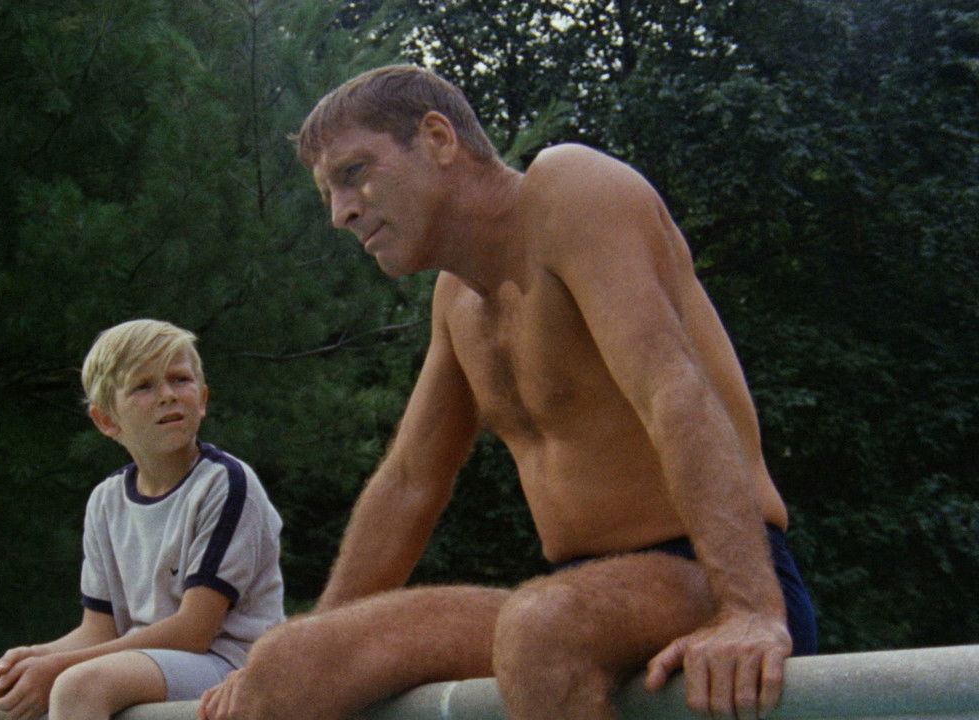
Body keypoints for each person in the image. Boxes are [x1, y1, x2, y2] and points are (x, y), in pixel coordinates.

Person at [198, 64, 817, 720]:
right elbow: (409, 483)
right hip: (581, 598)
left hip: (715, 574)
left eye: (354, 173)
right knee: (289, 660)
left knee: (541, 627)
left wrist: (748, 610)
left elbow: (675, 390)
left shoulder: (570, 192)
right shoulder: (456, 300)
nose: (339, 212)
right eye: (329, 191)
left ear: (438, 138)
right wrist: (321, 639)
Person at [0, 319, 285, 720]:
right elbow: (99, 630)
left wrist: (57, 668)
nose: (168, 395)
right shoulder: (107, 500)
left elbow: (194, 631)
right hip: (142, 660)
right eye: (143, 386)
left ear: (202, 399)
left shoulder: (225, 483)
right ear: (106, 421)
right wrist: (36, 658)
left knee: (78, 685)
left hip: (228, 664)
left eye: (180, 379)